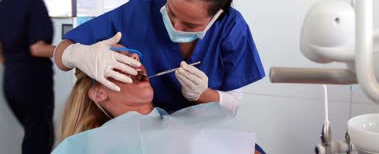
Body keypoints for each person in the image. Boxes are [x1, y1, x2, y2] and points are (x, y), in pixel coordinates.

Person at [53, 0, 265, 114]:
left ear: (218, 15)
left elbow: (234, 105)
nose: (176, 27)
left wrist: (202, 94)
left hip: (207, 132)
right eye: (171, 13)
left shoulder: (231, 27)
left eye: (190, 25)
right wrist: (76, 55)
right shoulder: (138, 12)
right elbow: (60, 55)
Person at [56, 48, 261, 154]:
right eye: (118, 60)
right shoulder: (90, 145)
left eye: (133, 55)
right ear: (99, 93)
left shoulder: (189, 123)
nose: (134, 60)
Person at [0, 0, 55, 154]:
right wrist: (69, 51)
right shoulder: (34, 4)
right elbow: (37, 49)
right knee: (40, 141)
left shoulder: (4, 4)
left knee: (33, 135)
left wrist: (14, 64)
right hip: (33, 83)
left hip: (11, 83)